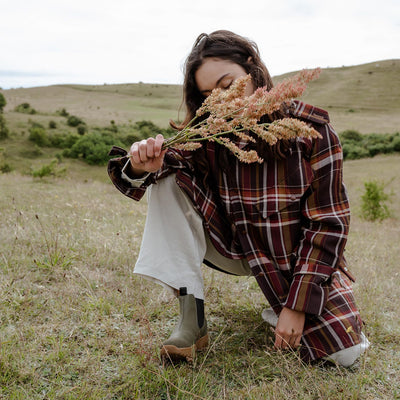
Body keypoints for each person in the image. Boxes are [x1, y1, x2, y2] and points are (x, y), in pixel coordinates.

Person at [108, 30, 369, 366]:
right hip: (233, 246)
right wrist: (140, 163)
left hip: (292, 259)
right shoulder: (209, 133)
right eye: (208, 94)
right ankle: (192, 315)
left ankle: (299, 301)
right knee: (167, 175)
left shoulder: (312, 130)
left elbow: (328, 224)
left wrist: (297, 306)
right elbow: (144, 174)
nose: (222, 100)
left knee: (342, 355)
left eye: (227, 84)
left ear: (252, 70)